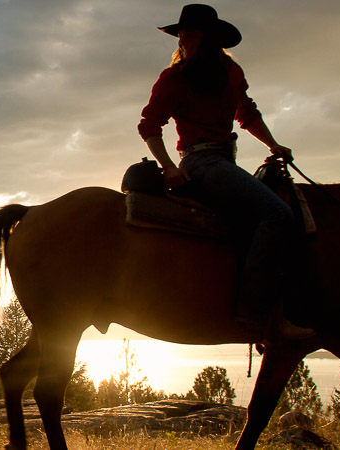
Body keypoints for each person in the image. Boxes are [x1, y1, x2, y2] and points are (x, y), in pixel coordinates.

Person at [137, 4, 315, 341]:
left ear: (209, 39)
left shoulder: (231, 73)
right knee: (277, 214)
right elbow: (149, 126)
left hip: (224, 162)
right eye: (181, 35)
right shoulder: (173, 78)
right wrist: (169, 167)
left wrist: (273, 144)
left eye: (190, 34)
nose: (182, 41)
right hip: (200, 162)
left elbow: (246, 113)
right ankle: (256, 316)